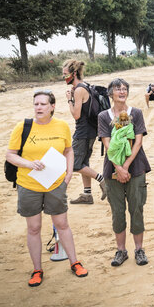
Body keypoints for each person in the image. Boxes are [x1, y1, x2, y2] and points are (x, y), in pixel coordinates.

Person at [5, 89, 88, 287]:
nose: (38, 107)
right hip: (28, 185)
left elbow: (68, 150)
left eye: (43, 104)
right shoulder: (22, 127)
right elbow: (10, 155)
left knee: (62, 224)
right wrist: (28, 164)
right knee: (33, 228)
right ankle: (37, 269)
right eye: (36, 104)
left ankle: (74, 262)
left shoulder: (61, 126)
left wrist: (68, 174)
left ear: (52, 106)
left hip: (55, 184)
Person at [98, 78, 152, 267]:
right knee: (117, 211)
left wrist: (126, 166)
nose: (121, 92)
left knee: (137, 208)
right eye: (117, 89)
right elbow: (106, 144)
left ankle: (139, 249)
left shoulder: (135, 113)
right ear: (110, 93)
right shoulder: (103, 116)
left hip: (135, 169)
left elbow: (138, 141)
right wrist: (118, 168)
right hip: (112, 170)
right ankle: (121, 250)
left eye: (124, 89)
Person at [62, 59, 106, 205]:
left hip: (83, 132)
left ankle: (102, 180)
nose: (64, 77)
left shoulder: (79, 90)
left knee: (74, 164)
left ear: (74, 73)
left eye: (65, 74)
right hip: (90, 131)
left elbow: (76, 114)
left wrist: (70, 100)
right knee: (84, 163)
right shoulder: (85, 85)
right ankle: (87, 195)